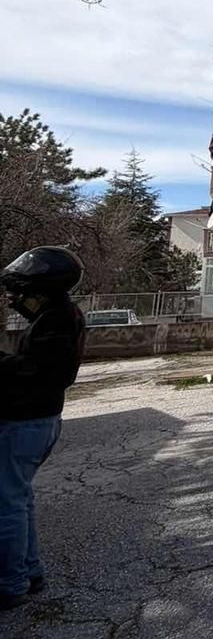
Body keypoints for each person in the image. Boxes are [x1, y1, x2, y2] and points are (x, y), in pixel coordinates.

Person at [0, 248, 86, 610]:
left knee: (7, 505)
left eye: (22, 292)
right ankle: (29, 571)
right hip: (37, 419)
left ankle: (10, 583)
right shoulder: (55, 315)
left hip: (26, 421)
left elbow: (36, 370)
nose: (16, 298)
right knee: (18, 499)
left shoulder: (57, 321)